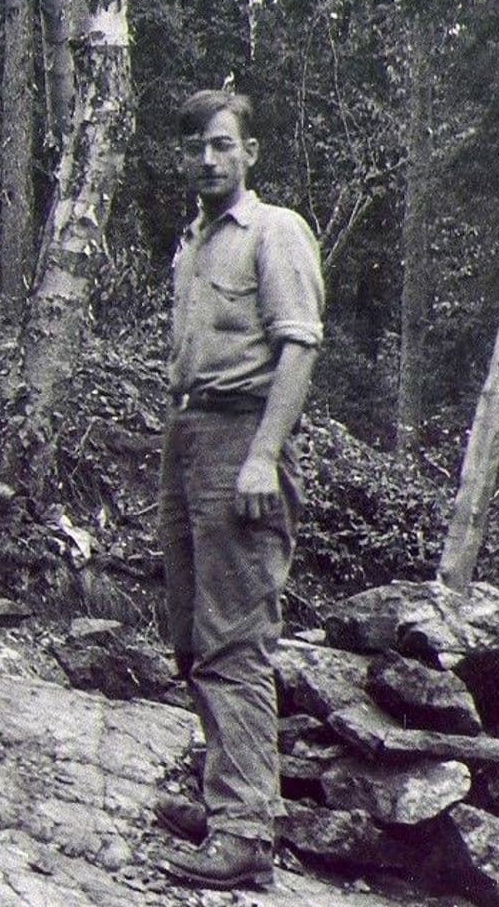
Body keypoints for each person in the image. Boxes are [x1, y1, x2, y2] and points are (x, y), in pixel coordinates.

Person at [155, 89, 324, 890]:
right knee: (189, 631)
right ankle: (224, 795)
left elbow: (298, 348)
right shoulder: (191, 243)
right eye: (196, 146)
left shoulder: (275, 231)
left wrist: (264, 455)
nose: (208, 159)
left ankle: (247, 828)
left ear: (249, 152)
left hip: (242, 441)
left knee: (234, 635)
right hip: (187, 437)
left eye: (223, 145)